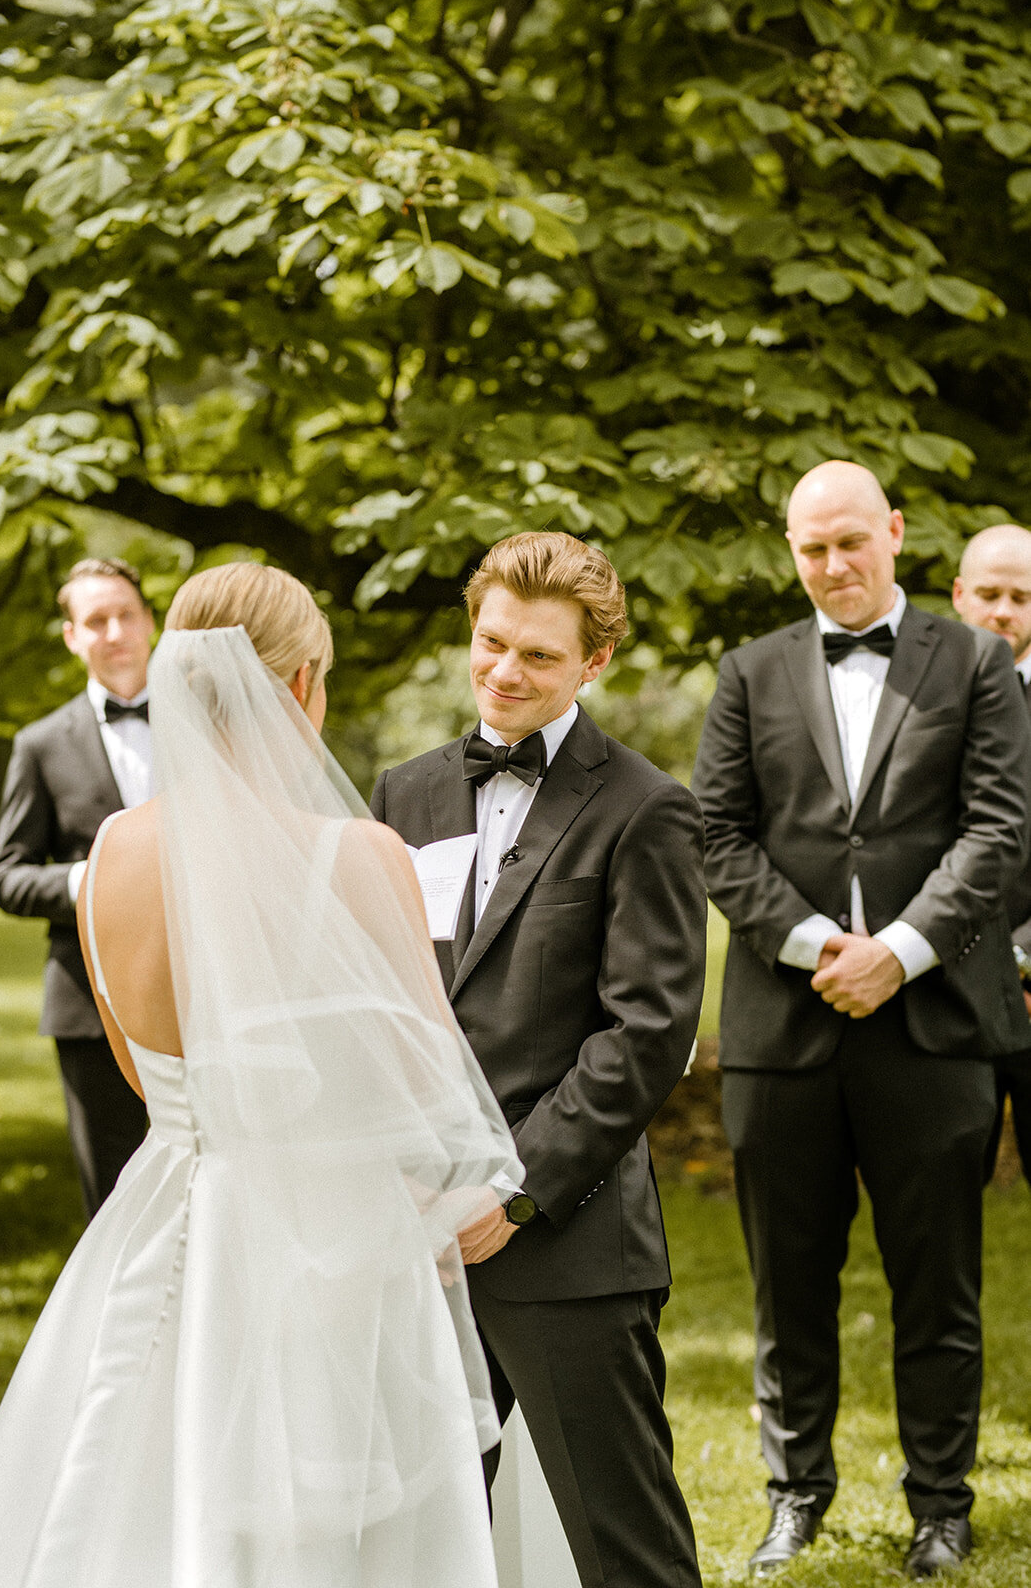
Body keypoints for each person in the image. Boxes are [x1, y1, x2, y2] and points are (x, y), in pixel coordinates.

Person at [0, 562, 523, 1587]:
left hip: (171, 1220)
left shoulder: (111, 857)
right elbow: (426, 1084)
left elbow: (144, 1072)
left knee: (143, 1498)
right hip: (328, 1234)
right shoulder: (361, 853)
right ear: (302, 682)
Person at [691, 461, 1031, 1579]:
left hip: (930, 1021)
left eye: (850, 540)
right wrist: (813, 945)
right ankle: (794, 1498)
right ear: (787, 551)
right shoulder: (745, 673)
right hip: (780, 1032)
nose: (832, 565)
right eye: (809, 548)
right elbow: (718, 840)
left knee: (937, 1284)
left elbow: (993, 830)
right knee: (787, 1289)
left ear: (892, 531)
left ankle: (939, 1506)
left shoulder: (975, 661)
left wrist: (896, 950)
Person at [371, 531, 707, 1588]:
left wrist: (509, 1191)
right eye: (489, 642)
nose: (505, 672)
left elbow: (645, 1031)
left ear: (593, 664)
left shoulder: (645, 808)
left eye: (539, 656)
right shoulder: (402, 793)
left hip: (565, 1239)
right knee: (421, 1541)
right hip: (410, 1237)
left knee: (624, 1544)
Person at [0, 558, 153, 1217]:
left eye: (125, 614)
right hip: (91, 1005)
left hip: (204, 995)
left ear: (149, 621)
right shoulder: (40, 744)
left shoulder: (207, 727)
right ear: (70, 636)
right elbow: (9, 876)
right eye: (95, 620)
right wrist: (92, 877)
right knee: (113, 1202)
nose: (114, 631)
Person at [953, 523, 1031, 1184]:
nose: (1001, 610)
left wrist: (1022, 959)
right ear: (958, 596)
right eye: (987, 593)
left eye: (1019, 596)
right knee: (943, 1198)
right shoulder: (915, 703)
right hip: (947, 996)